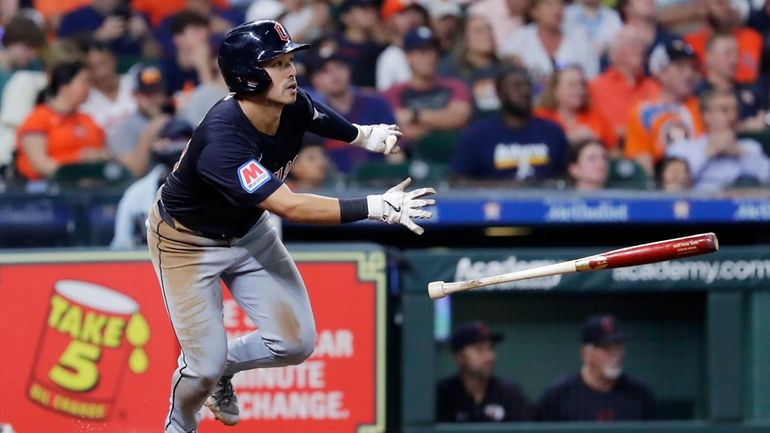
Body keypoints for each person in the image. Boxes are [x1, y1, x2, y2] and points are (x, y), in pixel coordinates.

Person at [146, 20, 435, 433]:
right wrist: (374, 206)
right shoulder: (223, 140)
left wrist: (361, 136)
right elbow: (291, 206)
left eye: (288, 60)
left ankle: (220, 371)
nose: (290, 70)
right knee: (201, 365)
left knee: (296, 342)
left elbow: (316, 114)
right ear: (247, 76)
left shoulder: (288, 103)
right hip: (187, 242)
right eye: (276, 63)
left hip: (246, 230)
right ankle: (179, 424)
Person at [450, 64, 568, 183]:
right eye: (516, 86)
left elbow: (565, 178)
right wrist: (502, 189)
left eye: (527, 85)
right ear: (499, 93)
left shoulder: (552, 132)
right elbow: (458, 180)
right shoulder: (478, 135)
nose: (524, 91)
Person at [538, 314, 656, 421]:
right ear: (585, 353)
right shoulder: (558, 396)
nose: (615, 355)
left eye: (618, 347)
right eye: (606, 348)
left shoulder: (639, 394)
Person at [15, 60, 110, 181]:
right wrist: (77, 162)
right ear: (65, 86)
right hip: (49, 189)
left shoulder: (87, 119)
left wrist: (98, 157)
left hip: (92, 186)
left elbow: (106, 153)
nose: (89, 88)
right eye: (85, 82)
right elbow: (40, 165)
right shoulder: (38, 118)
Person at [624, 39, 705, 176]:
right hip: (663, 184)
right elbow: (642, 160)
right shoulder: (644, 112)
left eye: (692, 67)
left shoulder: (704, 106)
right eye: (680, 67)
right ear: (661, 72)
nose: (688, 74)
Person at [111, 117, 193, 249]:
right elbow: (121, 244)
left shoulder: (209, 187)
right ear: (157, 143)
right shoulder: (137, 193)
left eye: (184, 139)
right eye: (173, 139)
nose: (178, 145)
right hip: (142, 263)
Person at [667, 89, 770, 192]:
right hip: (700, 205)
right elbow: (673, 181)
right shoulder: (683, 148)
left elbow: (767, 176)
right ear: (706, 115)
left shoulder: (750, 147)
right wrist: (708, 153)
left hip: (742, 206)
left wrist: (740, 153)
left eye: (735, 110)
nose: (732, 116)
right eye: (724, 110)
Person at [436, 321, 533, 422]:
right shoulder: (442, 396)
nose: (490, 357)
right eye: (479, 349)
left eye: (490, 349)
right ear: (459, 357)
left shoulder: (510, 394)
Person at [535, 65, 617, 150]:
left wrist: (596, 143)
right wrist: (567, 140)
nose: (579, 89)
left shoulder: (596, 115)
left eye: (582, 84)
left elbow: (614, 151)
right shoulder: (540, 117)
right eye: (572, 85)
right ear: (555, 91)